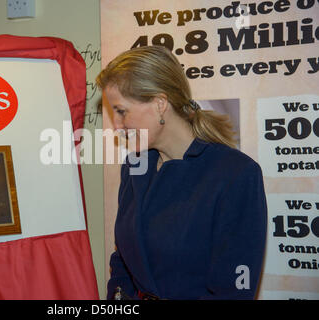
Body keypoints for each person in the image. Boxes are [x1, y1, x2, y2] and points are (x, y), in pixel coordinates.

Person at [96, 45, 267, 300]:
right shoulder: (134, 168)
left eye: (121, 111)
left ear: (160, 103)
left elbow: (233, 291)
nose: (118, 126)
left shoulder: (235, 174)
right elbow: (122, 259)